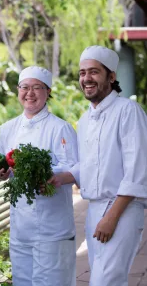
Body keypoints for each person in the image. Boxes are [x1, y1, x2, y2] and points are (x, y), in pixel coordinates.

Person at [49, 45, 147, 286]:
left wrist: (111, 217)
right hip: (94, 209)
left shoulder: (128, 111)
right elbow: (88, 165)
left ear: (111, 77)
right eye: (82, 73)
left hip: (122, 208)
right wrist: (59, 178)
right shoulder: (85, 120)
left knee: (106, 281)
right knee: (105, 278)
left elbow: (137, 170)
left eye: (94, 72)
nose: (86, 78)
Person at [0, 66, 78, 286]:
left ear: (48, 91)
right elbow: (6, 168)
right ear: (18, 90)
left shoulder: (61, 128)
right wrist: (2, 174)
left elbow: (76, 169)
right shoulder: (7, 129)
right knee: (22, 282)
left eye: (37, 87)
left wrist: (52, 176)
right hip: (20, 229)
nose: (29, 93)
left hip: (53, 229)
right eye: (25, 87)